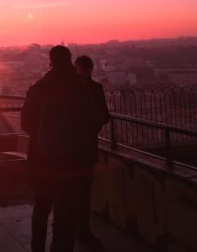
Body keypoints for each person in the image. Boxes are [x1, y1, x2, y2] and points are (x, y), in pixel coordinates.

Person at [21, 45, 99, 252]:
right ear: (69, 60)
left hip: (44, 158)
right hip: (73, 160)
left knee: (42, 208)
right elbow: (92, 121)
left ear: (50, 61)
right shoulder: (81, 89)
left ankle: (37, 247)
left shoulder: (38, 88)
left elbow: (26, 124)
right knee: (68, 211)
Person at [74, 55, 110, 250]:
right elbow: (105, 116)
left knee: (70, 188)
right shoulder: (96, 88)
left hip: (70, 147)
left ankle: (68, 226)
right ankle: (83, 228)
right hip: (88, 146)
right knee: (84, 190)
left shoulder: (68, 90)